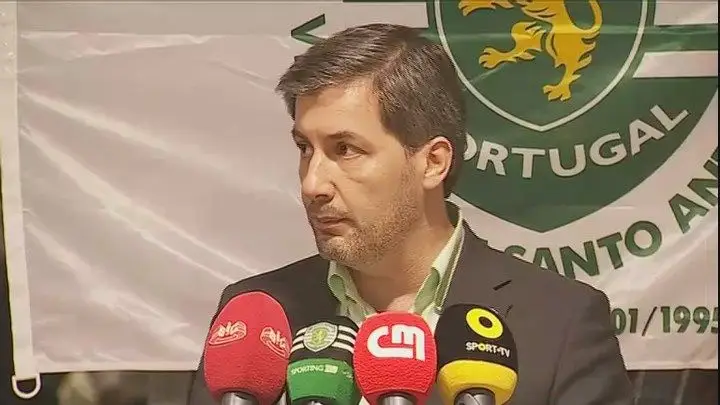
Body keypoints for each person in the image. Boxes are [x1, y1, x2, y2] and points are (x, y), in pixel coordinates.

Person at [186, 23, 633, 405]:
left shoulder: (561, 322)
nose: (312, 184)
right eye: (305, 148)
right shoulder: (255, 317)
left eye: (346, 149)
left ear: (433, 162)